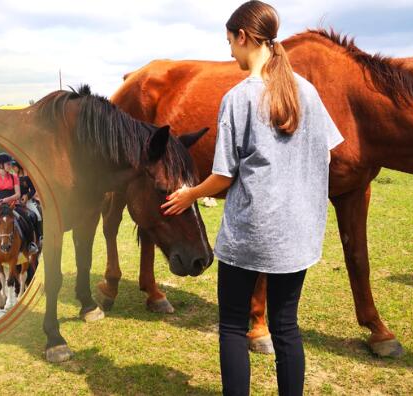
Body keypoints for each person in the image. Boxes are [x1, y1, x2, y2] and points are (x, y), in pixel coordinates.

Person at [161, 2, 344, 395]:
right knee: (286, 327)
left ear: (244, 37)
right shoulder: (307, 93)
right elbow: (326, 153)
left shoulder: (239, 97)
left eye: (230, 42)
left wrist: (189, 193)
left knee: (231, 325)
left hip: (249, 238)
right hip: (297, 237)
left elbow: (224, 175)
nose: (230, 52)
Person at [0, 153, 38, 253]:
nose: (10, 166)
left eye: (10, 164)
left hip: (12, 206)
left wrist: (7, 199)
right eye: (8, 164)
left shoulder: (14, 177)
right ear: (1, 165)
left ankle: (30, 244)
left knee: (27, 218)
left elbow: (18, 194)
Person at [11, 160, 43, 245]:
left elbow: (33, 190)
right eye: (12, 166)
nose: (13, 168)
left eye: (14, 166)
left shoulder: (26, 178)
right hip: (15, 202)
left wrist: (27, 196)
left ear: (19, 166)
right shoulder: (13, 178)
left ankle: (40, 236)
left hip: (27, 202)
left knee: (38, 216)